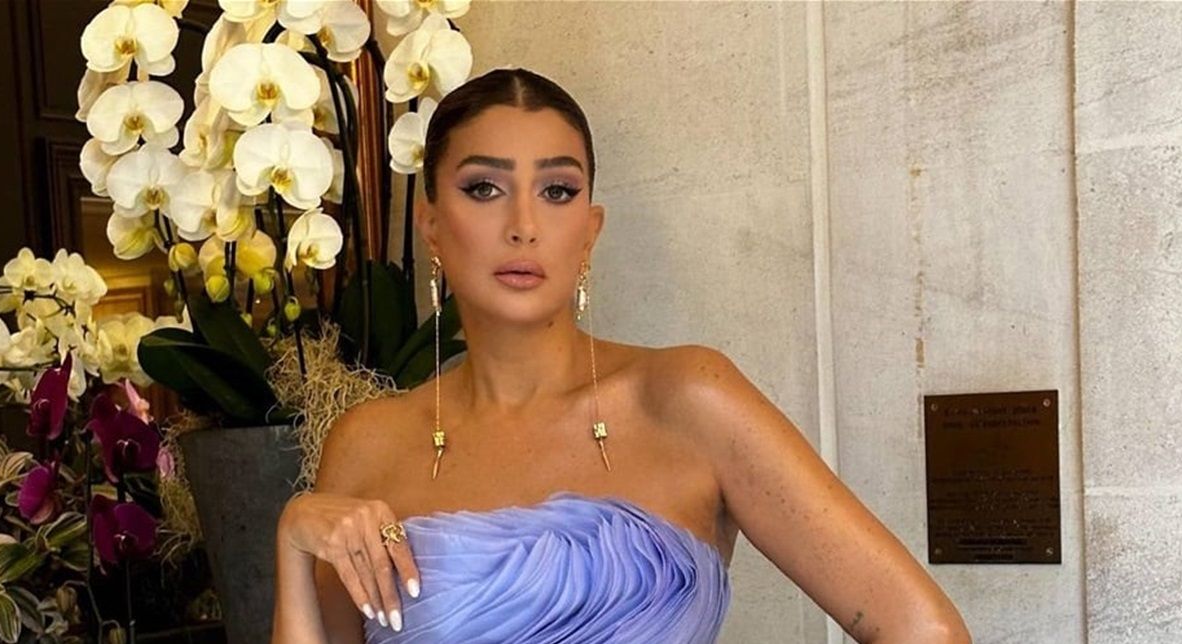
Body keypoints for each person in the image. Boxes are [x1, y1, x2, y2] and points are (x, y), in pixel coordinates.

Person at [273, 67, 971, 644]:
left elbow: (923, 630)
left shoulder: (688, 398)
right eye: (484, 188)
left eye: (557, 191)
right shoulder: (369, 443)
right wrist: (293, 539)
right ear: (430, 224)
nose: (523, 225)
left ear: (590, 228)